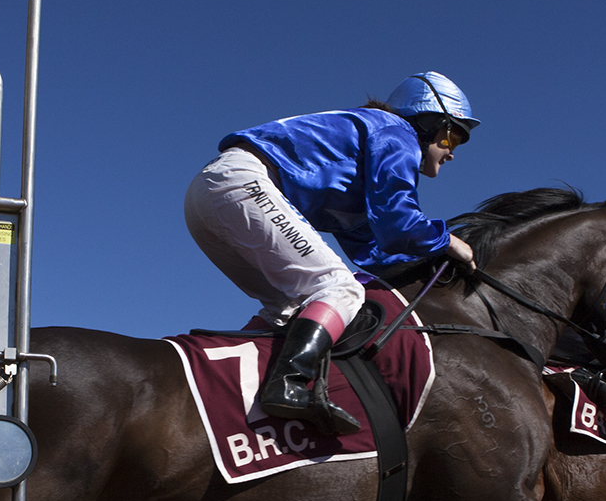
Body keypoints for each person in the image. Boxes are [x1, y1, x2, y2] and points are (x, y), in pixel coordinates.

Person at [185, 71, 478, 435]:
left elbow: (372, 249)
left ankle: (228, 387)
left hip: (209, 196)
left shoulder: (365, 154)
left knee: (289, 309)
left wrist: (426, 265)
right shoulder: (397, 133)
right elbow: (400, 222)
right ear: (428, 123)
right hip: (242, 186)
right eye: (452, 136)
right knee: (340, 290)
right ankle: (286, 387)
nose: (452, 152)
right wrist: (449, 242)